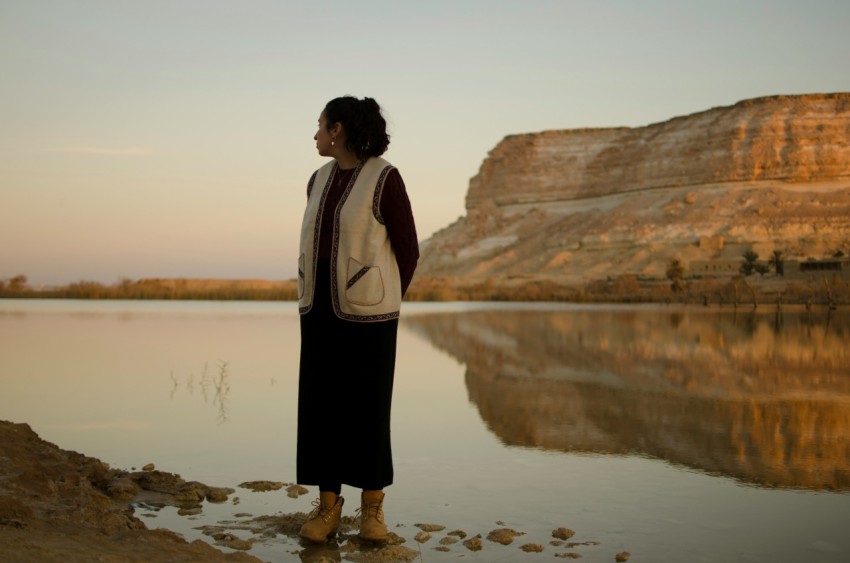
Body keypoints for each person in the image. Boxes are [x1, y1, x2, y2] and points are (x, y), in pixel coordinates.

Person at [296, 96, 419, 544]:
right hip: (318, 308)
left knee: (367, 408)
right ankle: (328, 509)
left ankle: (372, 512)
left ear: (338, 130)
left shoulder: (384, 177)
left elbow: (407, 249)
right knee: (319, 406)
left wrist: (381, 290)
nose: (315, 135)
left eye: (320, 126)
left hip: (371, 316)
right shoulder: (317, 179)